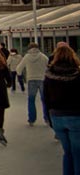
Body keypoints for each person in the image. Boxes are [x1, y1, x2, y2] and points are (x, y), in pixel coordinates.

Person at [44, 44, 80, 175]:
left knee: (67, 152)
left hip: (56, 116)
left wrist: (48, 117)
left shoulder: (49, 75)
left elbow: (46, 98)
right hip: (76, 116)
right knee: (77, 153)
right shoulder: (77, 74)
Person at [16, 42, 49, 126]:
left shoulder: (26, 57)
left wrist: (20, 75)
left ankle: (32, 119)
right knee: (44, 100)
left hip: (31, 80)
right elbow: (49, 67)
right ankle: (47, 118)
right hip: (42, 79)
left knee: (31, 100)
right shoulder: (43, 56)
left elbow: (19, 69)